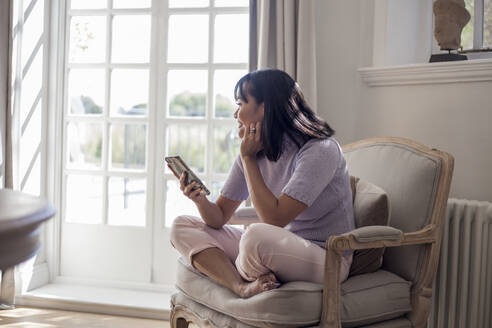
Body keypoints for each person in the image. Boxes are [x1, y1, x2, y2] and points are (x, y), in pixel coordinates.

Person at [170, 68, 355, 299]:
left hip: (326, 257)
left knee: (256, 237)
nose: (236, 114)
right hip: (277, 248)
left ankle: (233, 268)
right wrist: (199, 199)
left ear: (264, 108)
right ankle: (241, 286)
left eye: (240, 104)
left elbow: (274, 219)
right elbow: (217, 217)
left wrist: (248, 159)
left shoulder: (320, 149)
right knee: (182, 226)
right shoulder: (255, 151)